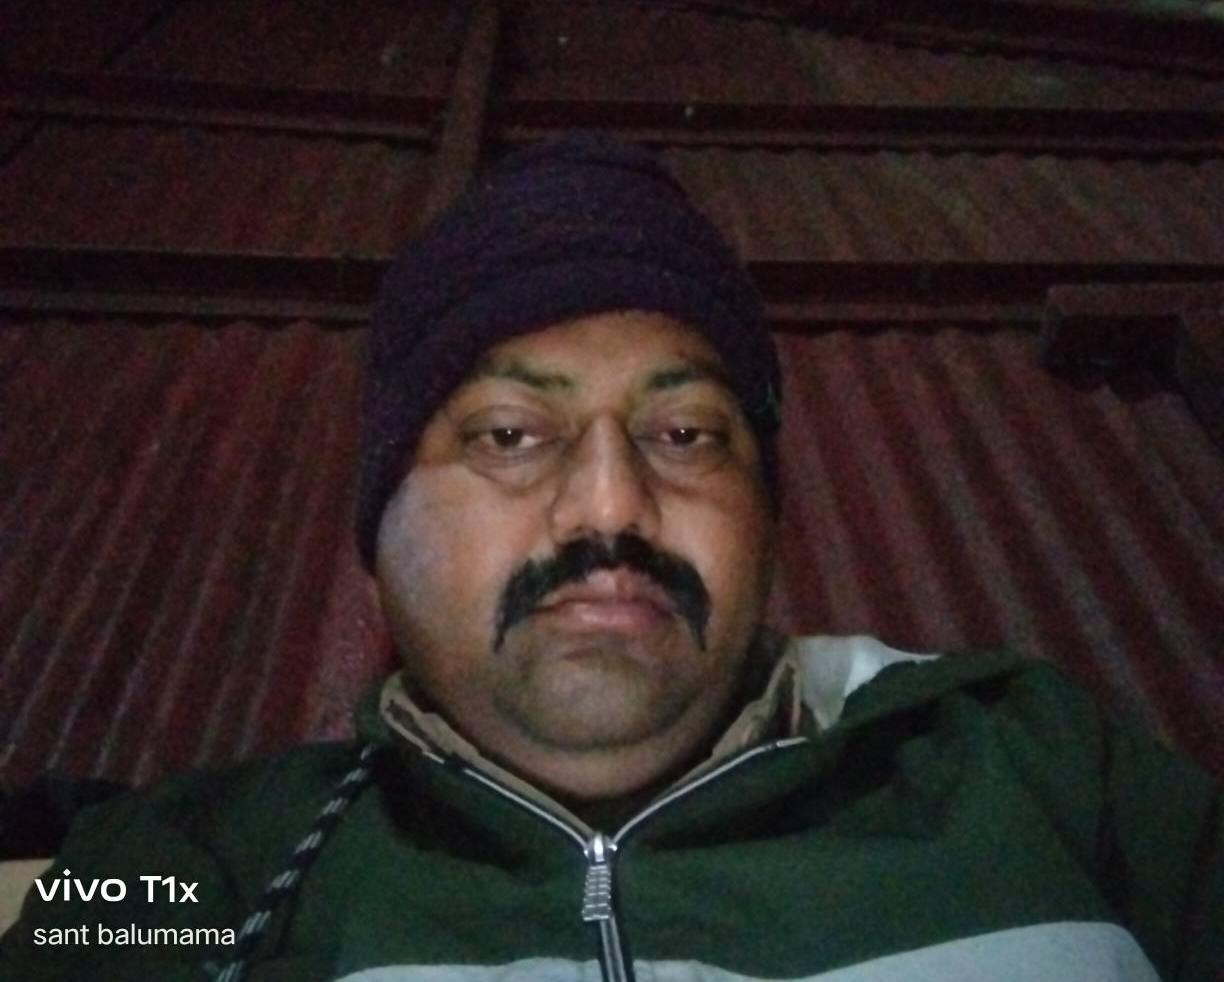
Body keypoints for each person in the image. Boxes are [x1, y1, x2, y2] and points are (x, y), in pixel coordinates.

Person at [1, 134, 1220, 981]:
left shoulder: (1037, 766)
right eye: (508, 434)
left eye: (686, 434)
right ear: (377, 539)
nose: (609, 505)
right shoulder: (188, 869)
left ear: (770, 519)